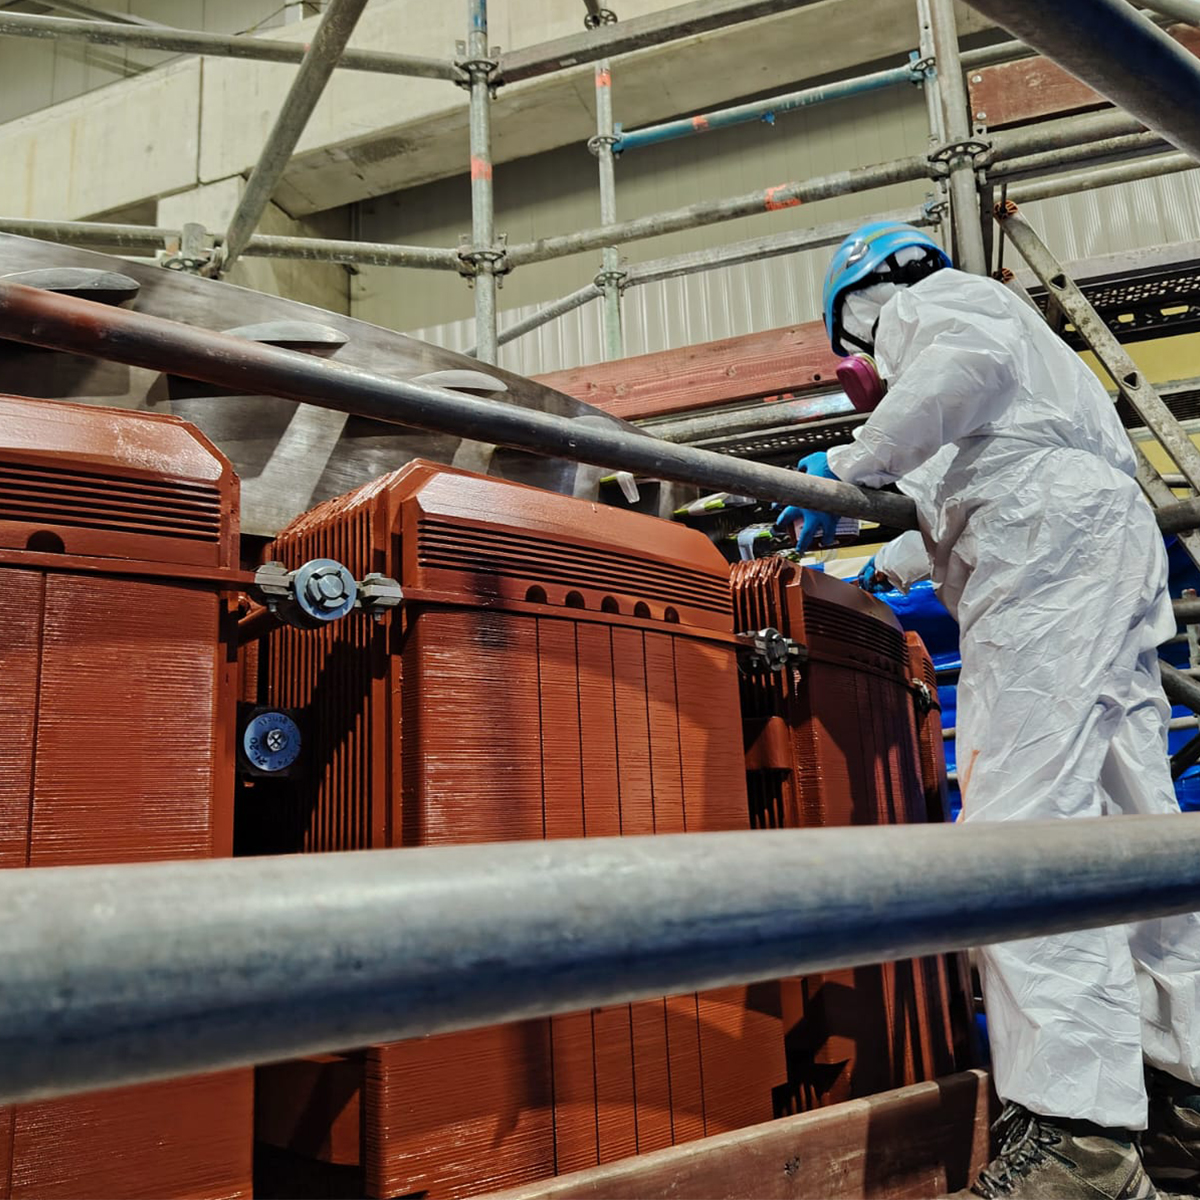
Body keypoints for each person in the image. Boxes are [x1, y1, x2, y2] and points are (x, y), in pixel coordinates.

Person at [776, 221, 1200, 1199]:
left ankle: (1077, 1139)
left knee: (1024, 829)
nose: (860, 360)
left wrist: (852, 463)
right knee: (1129, 828)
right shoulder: (1024, 389)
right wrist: (871, 560)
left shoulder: (937, 306)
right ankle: (1177, 1100)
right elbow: (967, 488)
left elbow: (961, 380)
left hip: (1047, 553)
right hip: (1090, 535)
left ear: (864, 297)